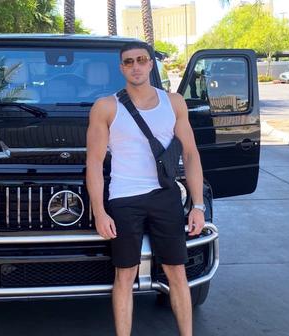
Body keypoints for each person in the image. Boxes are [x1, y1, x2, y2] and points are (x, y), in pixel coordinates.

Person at [86, 41, 206, 336]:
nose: (136, 66)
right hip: (124, 199)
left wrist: (198, 205)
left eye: (141, 60)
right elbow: (94, 163)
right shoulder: (106, 107)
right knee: (125, 275)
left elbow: (191, 154)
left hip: (165, 197)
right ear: (121, 68)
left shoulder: (174, 102)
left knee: (177, 272)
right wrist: (99, 211)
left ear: (152, 64)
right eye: (129, 62)